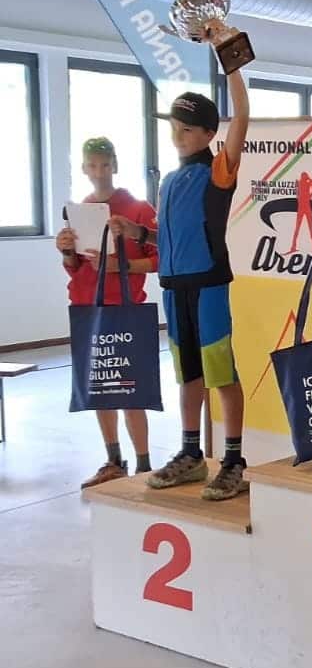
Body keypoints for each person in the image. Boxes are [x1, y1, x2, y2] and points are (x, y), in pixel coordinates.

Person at [109, 68, 250, 501]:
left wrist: (231, 66)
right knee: (189, 375)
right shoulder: (169, 181)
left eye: (187, 129)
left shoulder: (218, 171)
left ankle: (233, 460)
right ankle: (191, 453)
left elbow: (242, 116)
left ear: (209, 134)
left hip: (208, 286)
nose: (178, 135)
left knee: (220, 373)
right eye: (174, 127)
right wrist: (138, 234)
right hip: (173, 288)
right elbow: (169, 239)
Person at [57, 137, 158, 489]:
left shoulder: (138, 208)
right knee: (101, 386)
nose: (99, 172)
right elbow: (76, 267)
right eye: (92, 165)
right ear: (84, 168)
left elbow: (160, 259)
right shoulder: (81, 210)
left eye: (104, 164)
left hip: (125, 307)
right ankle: (114, 460)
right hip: (87, 306)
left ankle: (144, 464)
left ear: (114, 165)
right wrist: (66, 251)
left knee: (131, 389)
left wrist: (120, 266)